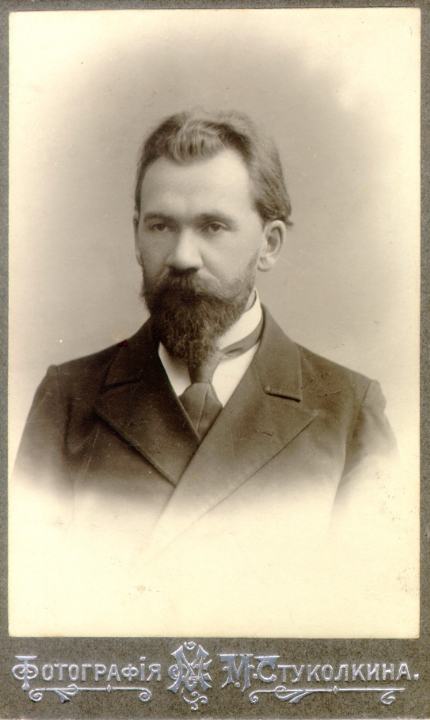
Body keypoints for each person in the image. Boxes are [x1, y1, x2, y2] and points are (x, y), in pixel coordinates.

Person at [11, 109, 401, 636]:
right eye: (160, 226)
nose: (181, 256)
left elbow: (366, 623)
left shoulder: (348, 412)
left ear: (270, 244)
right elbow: (35, 614)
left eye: (213, 227)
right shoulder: (68, 399)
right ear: (136, 235)